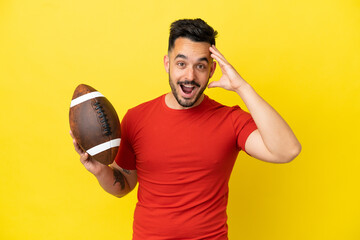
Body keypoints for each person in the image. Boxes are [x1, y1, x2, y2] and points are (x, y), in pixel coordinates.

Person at [70, 18, 301, 240]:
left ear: (211, 71)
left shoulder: (230, 120)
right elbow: (124, 185)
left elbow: (287, 150)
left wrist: (242, 87)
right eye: (181, 64)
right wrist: (100, 170)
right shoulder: (136, 118)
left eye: (200, 66)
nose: (189, 76)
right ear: (167, 64)